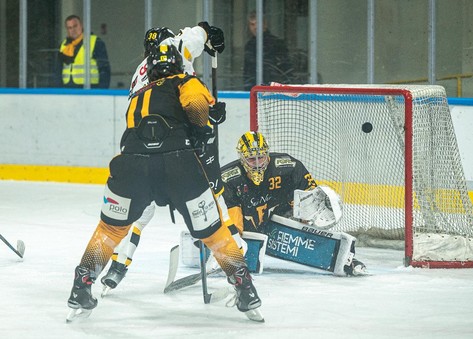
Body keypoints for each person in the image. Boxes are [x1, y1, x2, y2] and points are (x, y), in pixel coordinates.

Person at [66, 44, 262, 322]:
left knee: (109, 230)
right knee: (214, 232)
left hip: (131, 166)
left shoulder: (138, 94)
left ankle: (81, 287)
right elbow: (195, 107)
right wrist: (206, 123)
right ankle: (245, 289)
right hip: (179, 166)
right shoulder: (184, 81)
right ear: (178, 65)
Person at [100, 23, 236, 293]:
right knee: (209, 197)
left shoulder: (141, 71)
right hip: (178, 149)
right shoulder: (177, 47)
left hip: (138, 148)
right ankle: (234, 263)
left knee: (138, 211)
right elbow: (197, 37)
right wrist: (209, 33)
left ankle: (118, 264)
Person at [220, 131, 367, 276]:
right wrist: (230, 249)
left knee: (301, 215)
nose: (258, 164)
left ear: (267, 154)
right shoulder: (229, 178)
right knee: (232, 231)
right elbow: (231, 218)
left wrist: (310, 217)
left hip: (276, 216)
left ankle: (342, 260)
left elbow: (310, 195)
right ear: (242, 158)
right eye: (252, 159)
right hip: (248, 224)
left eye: (261, 157)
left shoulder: (288, 167)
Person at [56, 15, 111, 88]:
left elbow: (104, 69)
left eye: (75, 26)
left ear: (81, 26)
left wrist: (102, 91)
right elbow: (57, 70)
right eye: (69, 28)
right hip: (68, 89)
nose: (73, 30)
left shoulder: (95, 42)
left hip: (90, 88)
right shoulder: (63, 45)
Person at [243, 11, 294, 91]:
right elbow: (247, 72)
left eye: (258, 23)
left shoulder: (277, 43)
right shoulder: (249, 45)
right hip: (254, 90)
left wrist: (285, 86)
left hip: (275, 90)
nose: (255, 27)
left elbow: (286, 68)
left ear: (265, 24)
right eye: (252, 24)